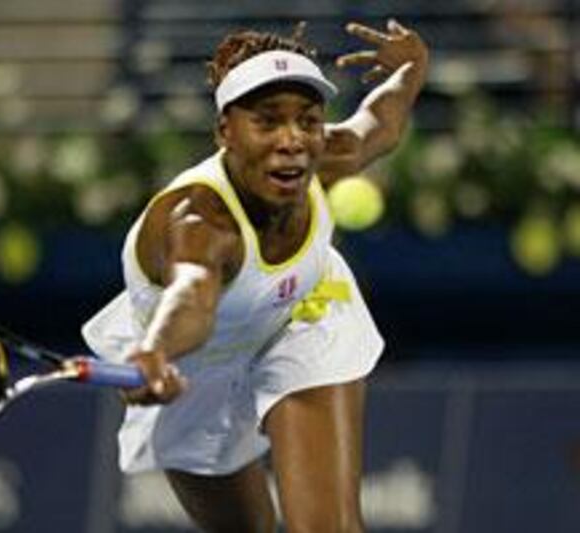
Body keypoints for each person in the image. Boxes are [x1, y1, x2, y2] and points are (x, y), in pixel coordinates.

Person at [82, 18, 428, 533]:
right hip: (195, 362)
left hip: (302, 318)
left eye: (308, 121)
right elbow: (191, 299)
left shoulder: (324, 156)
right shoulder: (201, 222)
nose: (292, 140)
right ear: (224, 130)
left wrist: (412, 67)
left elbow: (380, 124)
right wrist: (154, 352)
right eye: (267, 122)